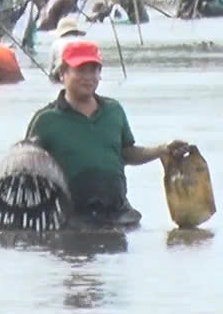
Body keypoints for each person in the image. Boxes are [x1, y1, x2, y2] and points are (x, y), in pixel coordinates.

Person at [24, 40, 187, 226]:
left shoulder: (114, 111)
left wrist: (162, 150)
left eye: (93, 70)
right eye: (80, 70)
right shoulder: (45, 120)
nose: (88, 77)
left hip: (119, 213)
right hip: (71, 219)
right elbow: (28, 167)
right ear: (62, 73)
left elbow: (126, 153)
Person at [46, 15, 88, 83]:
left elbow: (51, 68)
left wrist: (50, 77)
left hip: (62, 72)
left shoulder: (56, 44)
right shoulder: (84, 42)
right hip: (83, 72)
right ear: (76, 32)